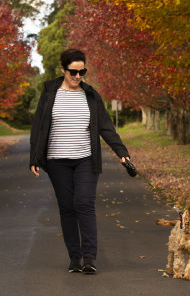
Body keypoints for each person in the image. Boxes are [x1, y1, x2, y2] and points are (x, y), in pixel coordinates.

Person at [29, 48, 131, 275]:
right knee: (67, 208)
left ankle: (89, 258)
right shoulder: (49, 93)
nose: (77, 77)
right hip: (57, 161)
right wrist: (34, 157)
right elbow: (39, 126)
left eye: (82, 72)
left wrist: (121, 151)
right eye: (73, 72)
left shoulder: (91, 96)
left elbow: (105, 126)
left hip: (86, 159)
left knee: (84, 203)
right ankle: (74, 258)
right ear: (63, 70)